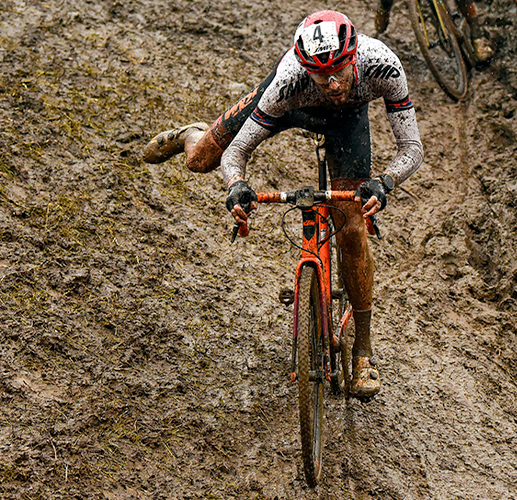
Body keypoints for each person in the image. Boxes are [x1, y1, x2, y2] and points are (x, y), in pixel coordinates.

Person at [141, 10, 423, 399]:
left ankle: (363, 352)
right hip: (292, 107)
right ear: (305, 68)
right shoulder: (288, 81)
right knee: (200, 160)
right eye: (321, 75)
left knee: (353, 230)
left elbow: (411, 147)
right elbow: (238, 150)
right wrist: (236, 184)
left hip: (346, 123)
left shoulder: (383, 65)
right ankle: (191, 133)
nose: (333, 83)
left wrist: (385, 181)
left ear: (355, 57)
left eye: (340, 71)